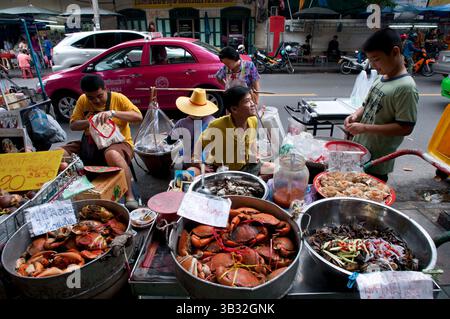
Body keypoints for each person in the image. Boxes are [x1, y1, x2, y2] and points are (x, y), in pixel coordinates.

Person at [344, 28, 419, 182]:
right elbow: (367, 105)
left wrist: (364, 128)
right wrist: (355, 115)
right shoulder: (381, 77)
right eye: (370, 60)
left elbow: (405, 127)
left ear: (395, 52)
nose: (373, 65)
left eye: (376, 59)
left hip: (378, 162)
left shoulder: (406, 87)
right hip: (362, 152)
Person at [59, 75, 143, 210]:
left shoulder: (118, 98)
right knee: (58, 154)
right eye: (91, 98)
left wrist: (113, 113)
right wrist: (90, 121)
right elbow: (73, 125)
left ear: (106, 89)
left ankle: (130, 196)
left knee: (112, 155)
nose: (96, 100)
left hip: (118, 143)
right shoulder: (82, 100)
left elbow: (138, 117)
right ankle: (72, 193)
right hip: (90, 144)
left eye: (99, 96)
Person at [197, 86, 273, 176]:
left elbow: (251, 141)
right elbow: (198, 145)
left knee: (278, 170)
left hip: (247, 166)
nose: (252, 103)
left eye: (251, 100)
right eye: (247, 101)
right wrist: (199, 164)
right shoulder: (217, 126)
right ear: (234, 109)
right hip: (224, 171)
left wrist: (255, 154)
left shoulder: (253, 120)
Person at [169, 88, 218, 161]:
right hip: (210, 160)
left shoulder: (182, 123)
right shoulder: (213, 121)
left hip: (189, 161)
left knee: (181, 172)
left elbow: (169, 141)